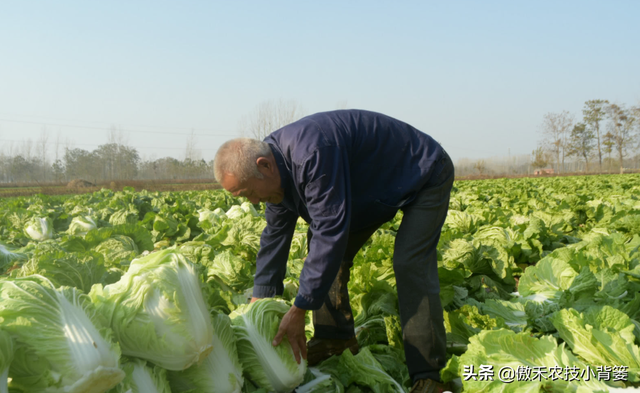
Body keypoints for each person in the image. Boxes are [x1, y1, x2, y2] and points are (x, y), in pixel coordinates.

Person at [214, 109, 454, 393]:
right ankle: (334, 338)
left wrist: (300, 307)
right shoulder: (272, 169)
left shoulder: (312, 153)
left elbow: (330, 230)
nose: (254, 202)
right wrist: (259, 299)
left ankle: (429, 375)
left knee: (409, 263)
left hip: (423, 172)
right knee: (326, 252)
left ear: (264, 166)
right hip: (374, 189)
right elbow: (275, 236)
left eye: (249, 193)